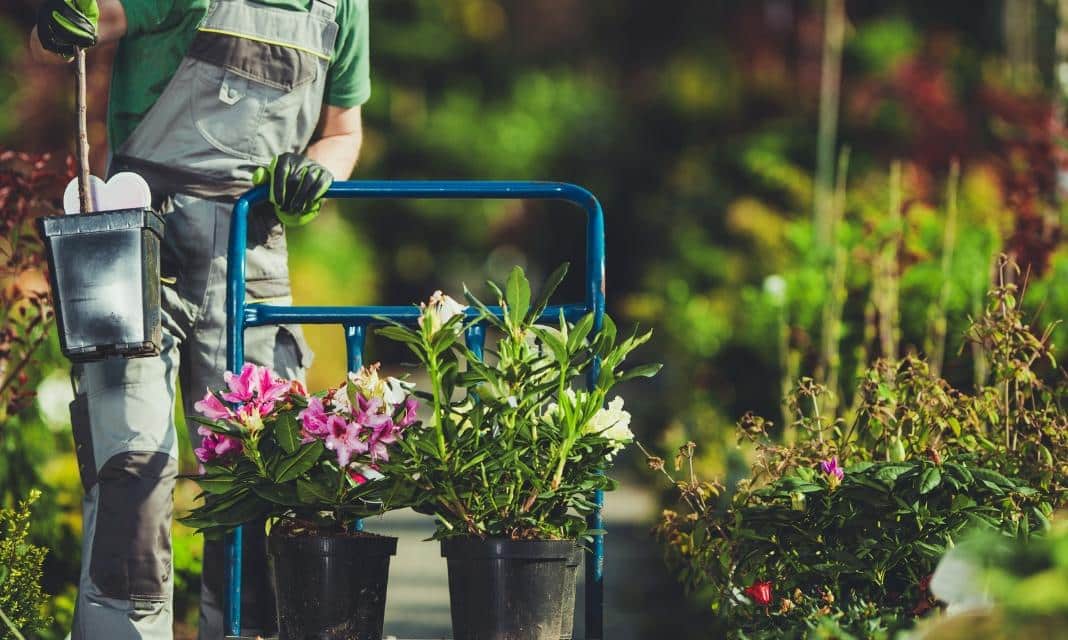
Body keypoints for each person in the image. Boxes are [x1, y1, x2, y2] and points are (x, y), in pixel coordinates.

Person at [30, 0, 370, 637]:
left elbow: (344, 128)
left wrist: (318, 170)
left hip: (254, 255)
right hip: (141, 248)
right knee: (132, 475)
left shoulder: (340, 6)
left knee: (261, 486)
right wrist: (57, 25)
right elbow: (91, 19)